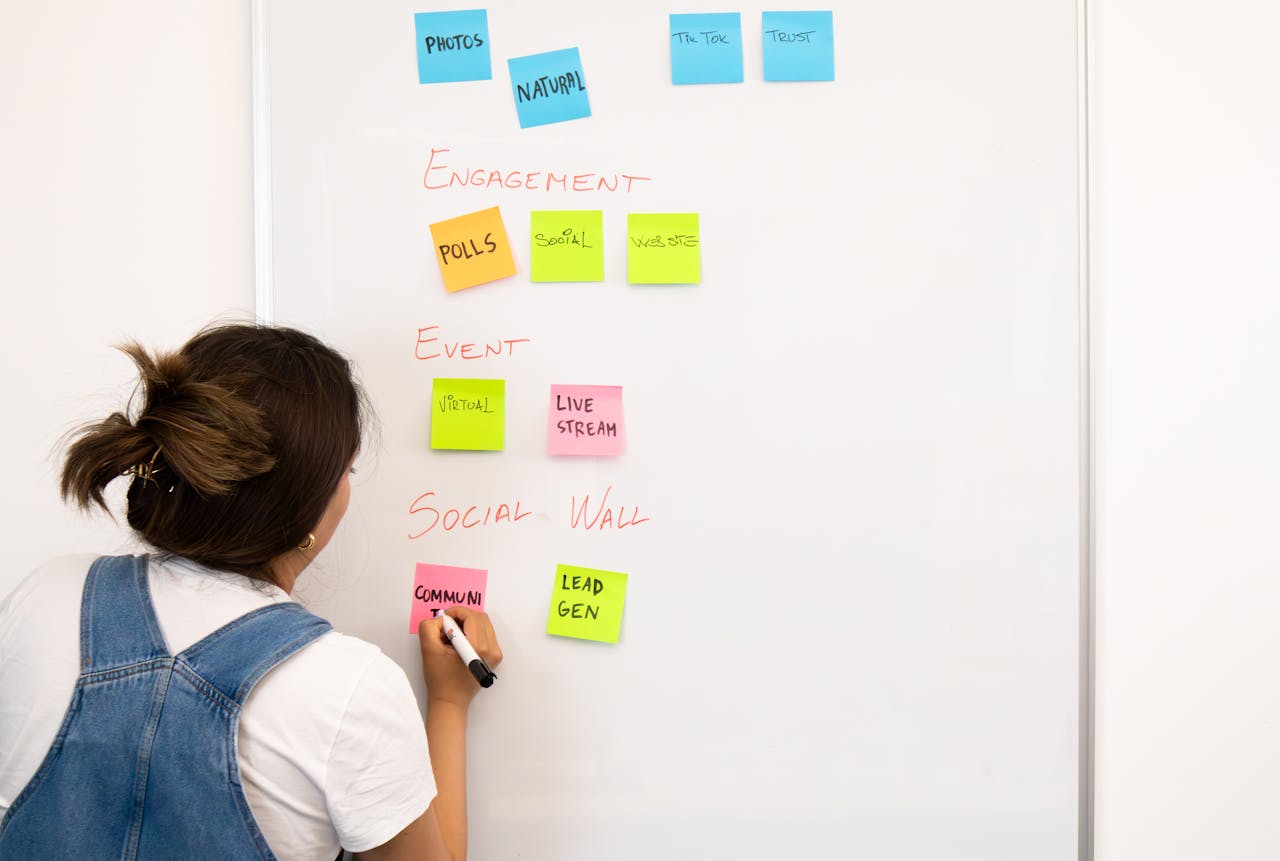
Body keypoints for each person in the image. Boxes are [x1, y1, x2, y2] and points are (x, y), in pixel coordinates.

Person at [0, 323, 501, 860]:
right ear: (308, 508)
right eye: (347, 470)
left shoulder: (47, 594)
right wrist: (448, 702)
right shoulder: (348, 688)